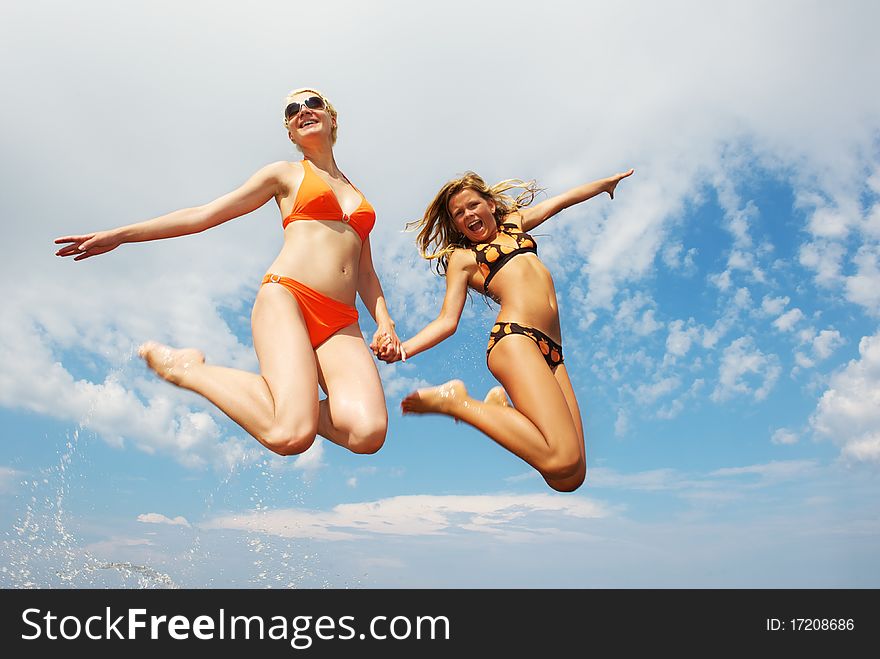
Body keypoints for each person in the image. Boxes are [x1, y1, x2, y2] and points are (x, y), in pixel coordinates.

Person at [55, 88, 402, 457]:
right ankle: (186, 369)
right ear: (290, 133)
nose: (303, 110)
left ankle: (290, 405)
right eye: (292, 110)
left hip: (341, 322)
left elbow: (365, 273)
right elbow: (204, 215)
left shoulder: (358, 195)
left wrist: (385, 322)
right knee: (290, 436)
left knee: (368, 433)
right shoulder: (284, 174)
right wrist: (121, 235)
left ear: (332, 119)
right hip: (289, 298)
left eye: (313, 103)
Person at [384, 168, 634, 491]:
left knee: (571, 475)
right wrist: (404, 348)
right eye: (458, 214)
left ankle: (499, 410)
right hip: (515, 340)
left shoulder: (514, 224)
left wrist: (603, 184)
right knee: (561, 458)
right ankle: (456, 401)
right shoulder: (464, 258)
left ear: (489, 204)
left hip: (553, 353)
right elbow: (447, 321)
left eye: (472, 205)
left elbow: (560, 202)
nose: (467, 215)